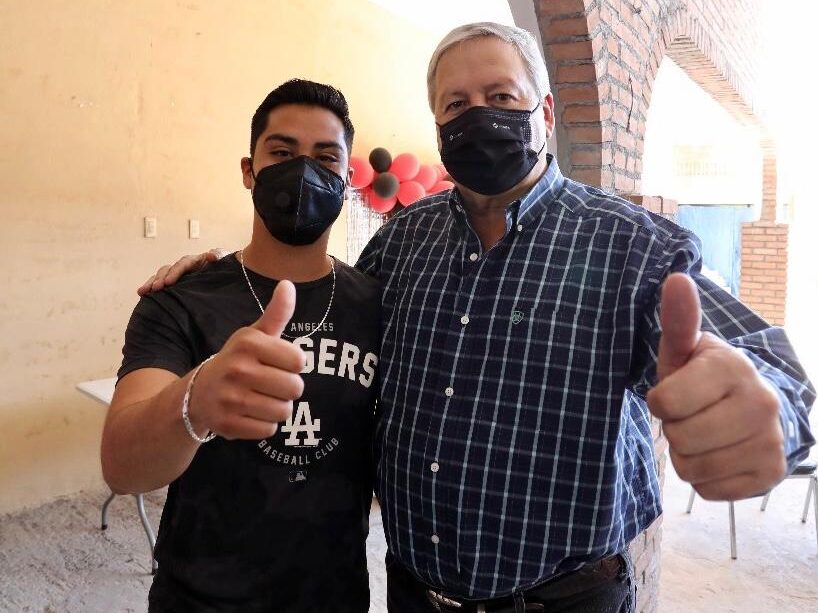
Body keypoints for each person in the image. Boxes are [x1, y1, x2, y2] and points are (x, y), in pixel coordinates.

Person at [140, 22, 815, 613]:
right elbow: (324, 299)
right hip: (414, 593)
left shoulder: (632, 246)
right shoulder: (401, 242)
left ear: (544, 113)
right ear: (439, 129)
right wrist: (219, 272)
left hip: (564, 599)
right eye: (457, 104)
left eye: (502, 97)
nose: (479, 116)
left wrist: (768, 413)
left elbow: (757, 357)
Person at [101, 79, 380, 612]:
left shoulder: (377, 303)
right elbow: (122, 466)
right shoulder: (181, 299)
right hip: (200, 597)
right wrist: (195, 400)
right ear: (249, 171)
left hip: (336, 596)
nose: (304, 171)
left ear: (347, 182)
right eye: (282, 153)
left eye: (326, 158)